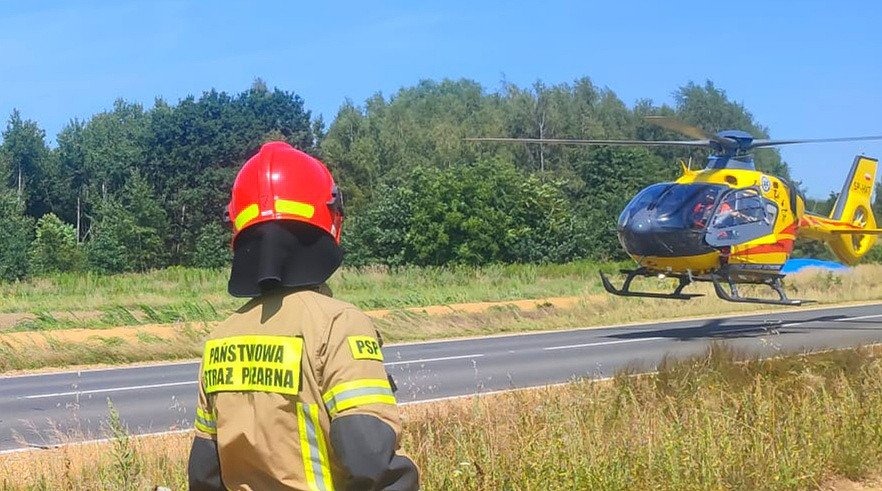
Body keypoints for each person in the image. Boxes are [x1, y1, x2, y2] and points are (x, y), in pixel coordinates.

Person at [187, 141, 419, 491]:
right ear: (330, 217)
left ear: (238, 225)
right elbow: (372, 465)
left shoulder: (221, 339)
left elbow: (204, 476)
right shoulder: (338, 325)